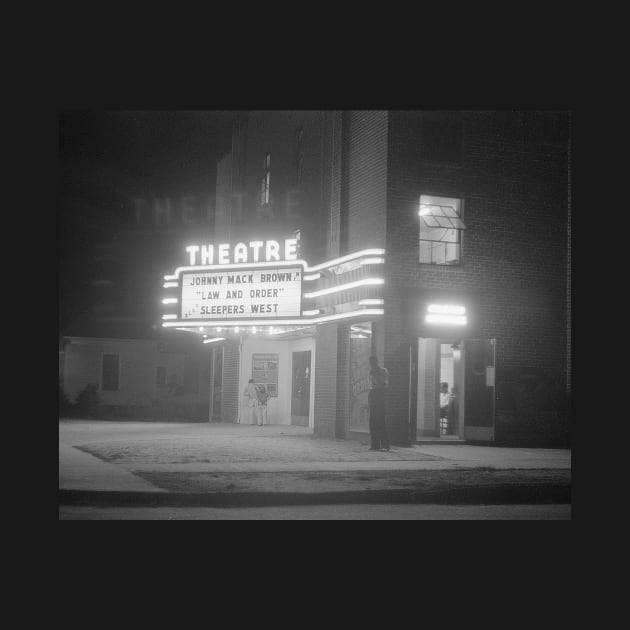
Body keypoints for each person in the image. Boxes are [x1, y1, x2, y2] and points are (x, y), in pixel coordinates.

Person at [368, 355, 390, 451]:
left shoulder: (383, 371)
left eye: (373, 363)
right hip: (373, 394)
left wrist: (376, 374)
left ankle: (385, 445)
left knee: (381, 421)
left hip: (380, 394)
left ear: (376, 362)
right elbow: (371, 385)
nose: (372, 365)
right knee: (372, 422)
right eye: (371, 363)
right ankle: (375, 444)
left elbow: (384, 384)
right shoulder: (371, 372)